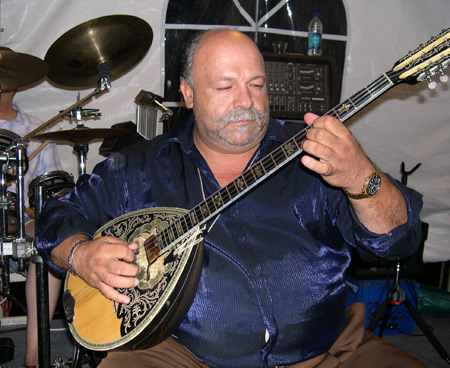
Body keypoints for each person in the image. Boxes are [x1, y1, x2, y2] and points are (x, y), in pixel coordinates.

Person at [36, 29, 426, 368]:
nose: (246, 101)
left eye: (257, 85)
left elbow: (397, 241)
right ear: (188, 94)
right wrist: (81, 255)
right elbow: (56, 216)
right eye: (225, 86)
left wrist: (363, 178)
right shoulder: (143, 168)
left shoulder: (315, 152)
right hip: (181, 354)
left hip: (327, 351)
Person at [0, 87, 63, 367]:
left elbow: (50, 197)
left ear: (14, 85)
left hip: (20, 220)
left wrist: (35, 212)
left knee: (52, 241)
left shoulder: (35, 130)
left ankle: (34, 359)